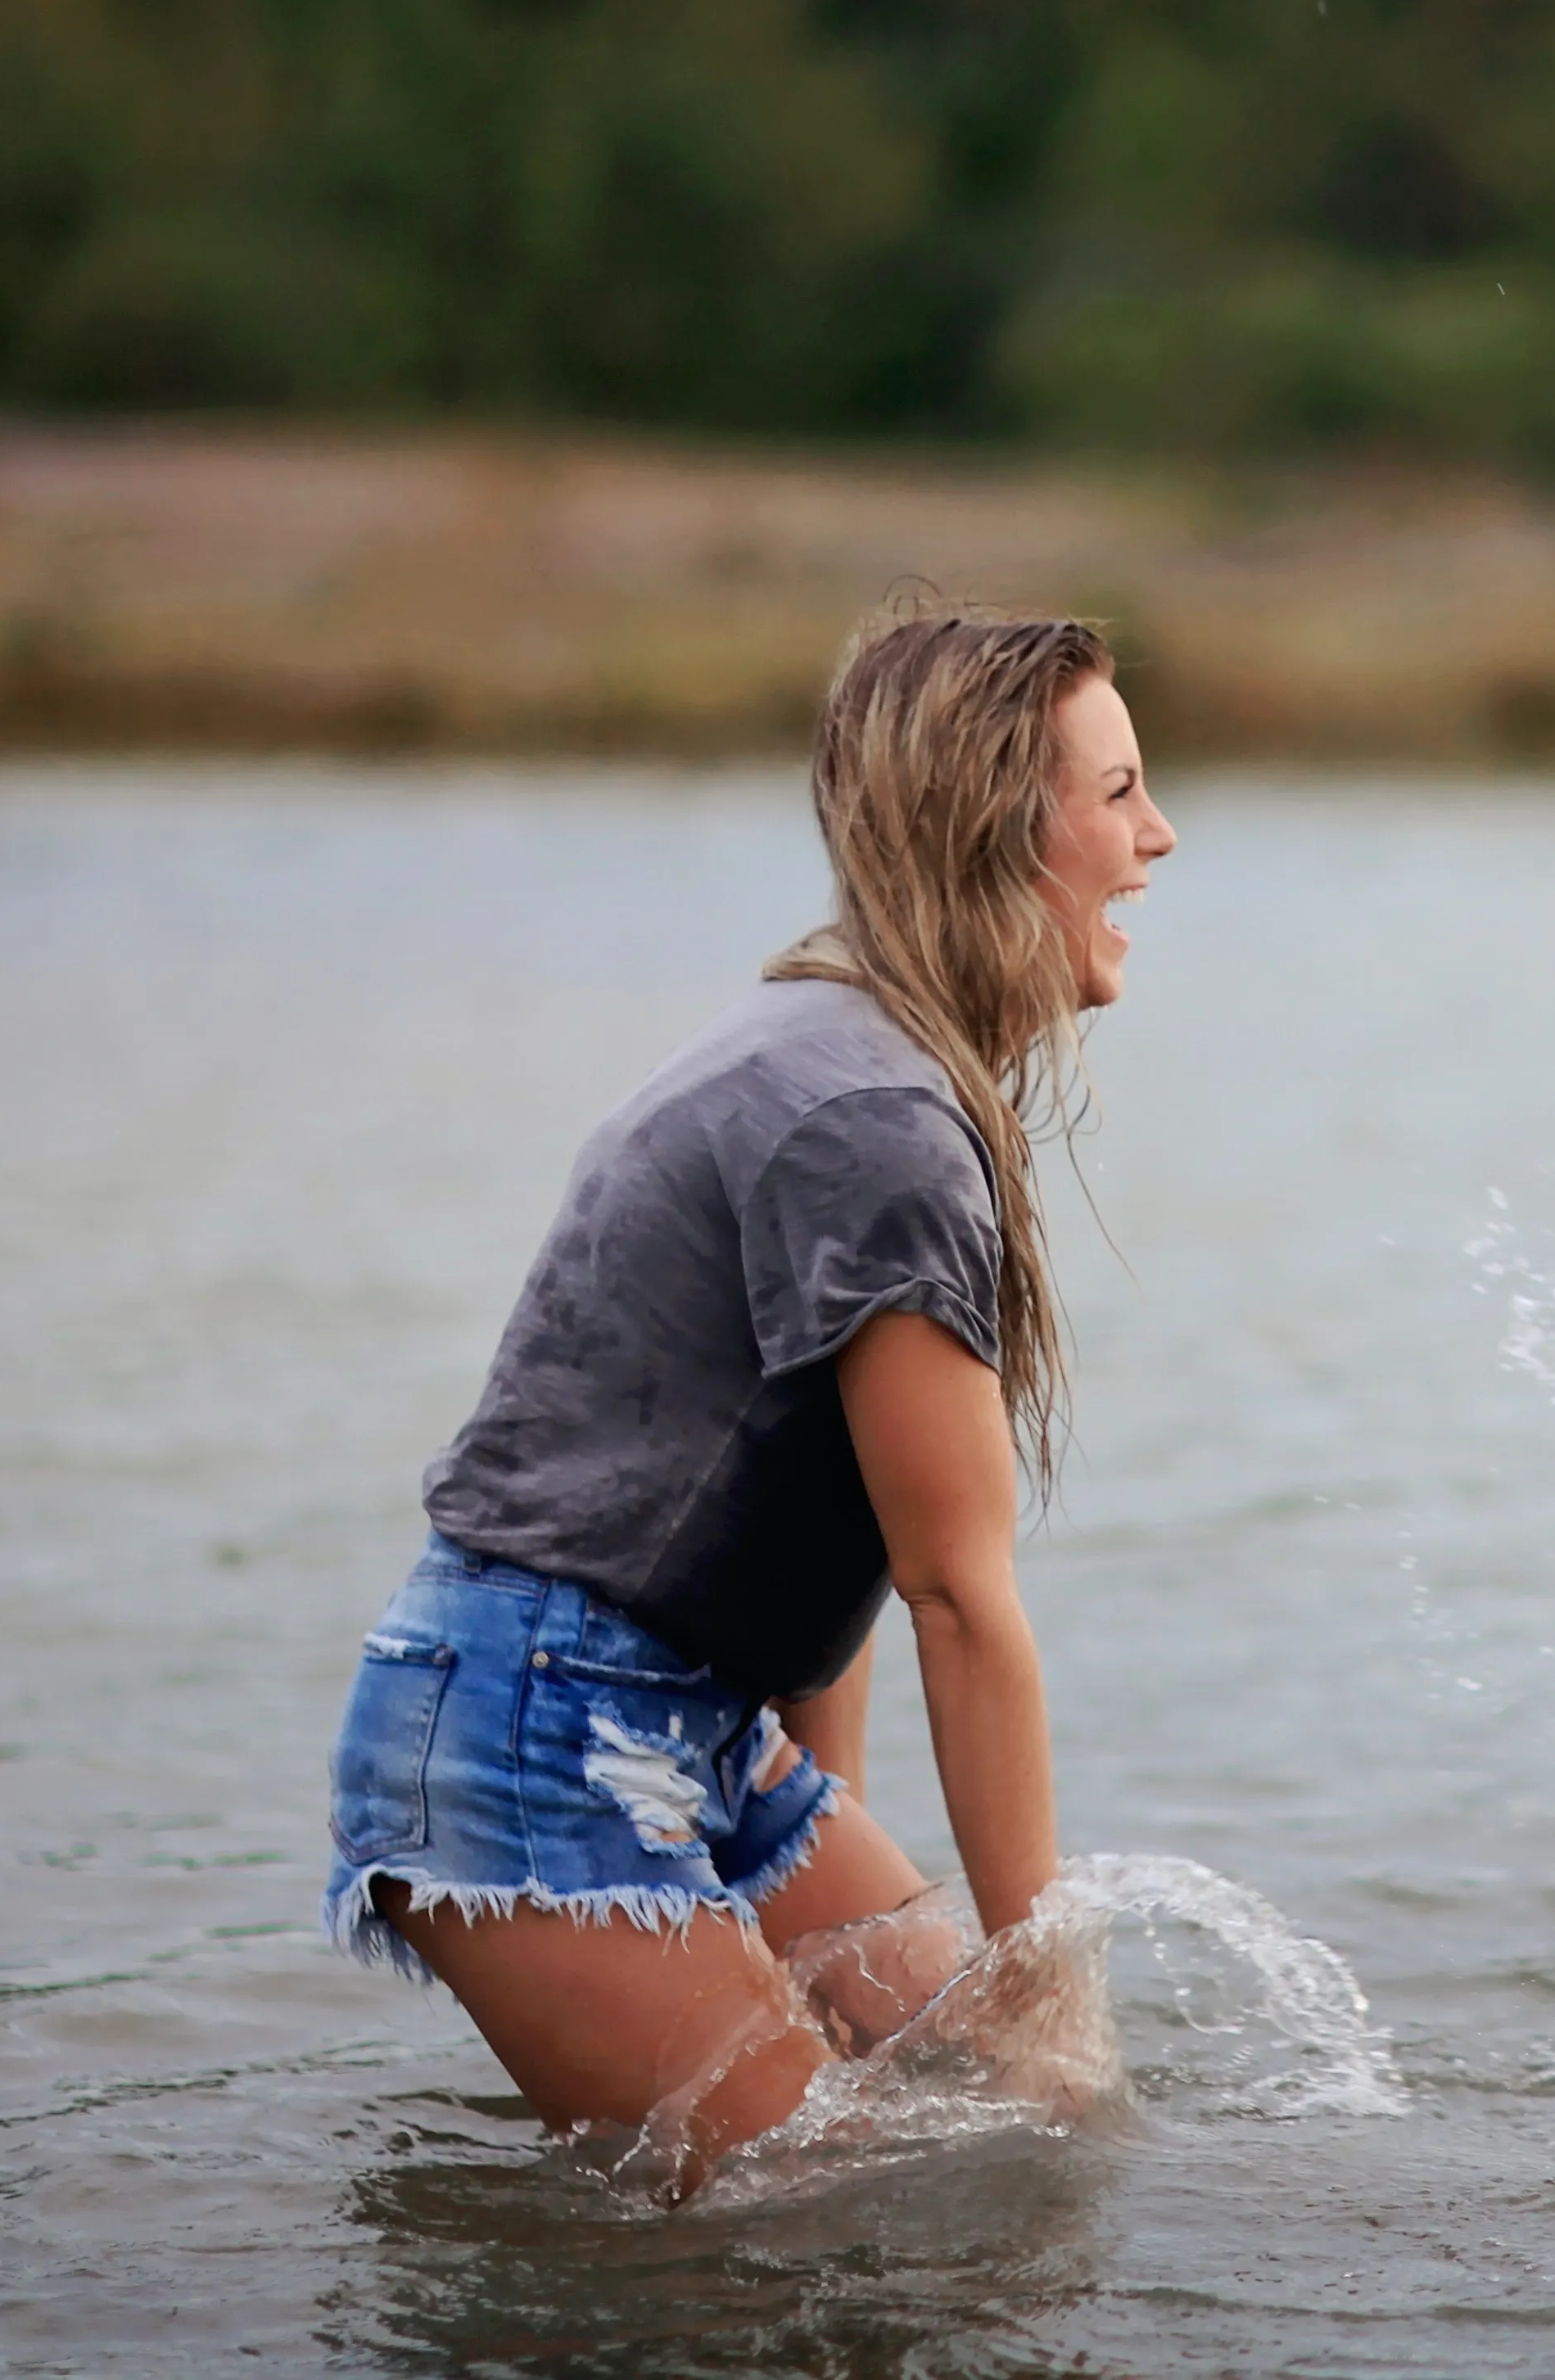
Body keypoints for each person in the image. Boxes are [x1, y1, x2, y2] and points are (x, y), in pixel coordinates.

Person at [323, 604, 1170, 2175]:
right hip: (534, 1727)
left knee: (997, 2120)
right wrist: (1044, 1972)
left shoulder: (860, 1055)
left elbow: (822, 1537)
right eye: (1117, 795)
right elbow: (957, 1595)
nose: (1158, 839)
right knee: (835, 2208)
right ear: (998, 823)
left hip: (684, 1723)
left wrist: (822, 1889)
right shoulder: (877, 1122)